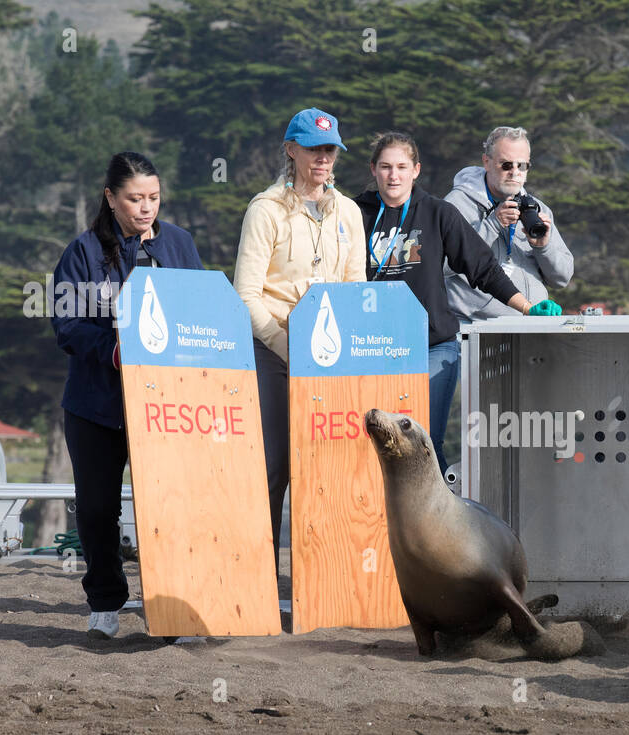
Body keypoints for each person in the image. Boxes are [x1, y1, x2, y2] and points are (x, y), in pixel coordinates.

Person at [51, 151, 203, 638]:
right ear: (110, 198)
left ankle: (175, 607)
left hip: (167, 406)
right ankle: (105, 601)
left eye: (154, 198)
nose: (145, 208)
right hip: (97, 405)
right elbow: (67, 325)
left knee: (170, 504)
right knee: (97, 509)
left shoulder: (179, 245)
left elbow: (202, 314)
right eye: (134, 198)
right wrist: (114, 351)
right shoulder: (82, 252)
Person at [355, 131, 561, 474]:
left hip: (432, 344)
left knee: (424, 441)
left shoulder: (439, 213)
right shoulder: (354, 213)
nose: (394, 175)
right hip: (372, 348)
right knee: (376, 441)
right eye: (386, 167)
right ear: (373, 169)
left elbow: (481, 267)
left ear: (416, 170)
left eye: (402, 167)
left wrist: (526, 307)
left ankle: (440, 521)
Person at [233, 107, 365, 575]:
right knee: (271, 469)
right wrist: (284, 345)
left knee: (327, 470)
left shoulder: (348, 212)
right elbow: (245, 295)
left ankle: (322, 581)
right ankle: (260, 577)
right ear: (291, 150)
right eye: (313, 149)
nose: (323, 159)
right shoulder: (265, 210)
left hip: (329, 357)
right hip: (273, 349)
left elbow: (356, 288)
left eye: (329, 150)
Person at [443, 125, 573, 325]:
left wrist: (543, 247)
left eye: (522, 166)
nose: (514, 172)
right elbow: (440, 265)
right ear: (486, 162)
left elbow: (562, 278)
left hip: (533, 325)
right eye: (506, 165)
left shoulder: (537, 209)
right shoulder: (457, 204)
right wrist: (492, 226)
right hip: (476, 327)